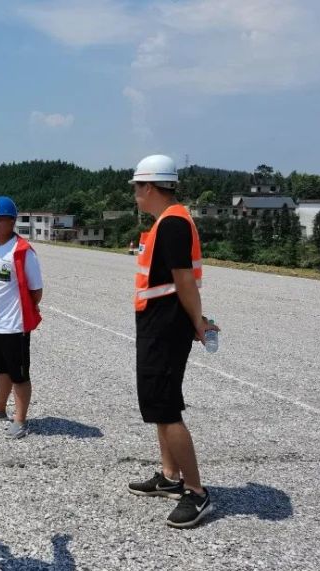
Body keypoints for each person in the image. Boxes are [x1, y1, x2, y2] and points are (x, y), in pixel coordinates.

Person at [126, 154, 220, 529]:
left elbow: (184, 281)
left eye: (136, 188)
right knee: (157, 404)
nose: (135, 195)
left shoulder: (174, 223)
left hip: (166, 327)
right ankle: (169, 476)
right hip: (158, 323)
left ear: (149, 186)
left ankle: (196, 491)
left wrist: (199, 322)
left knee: (166, 407)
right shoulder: (167, 222)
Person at [0, 196, 43, 440]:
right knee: (0, 368)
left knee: (19, 374)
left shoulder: (23, 251)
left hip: (15, 325)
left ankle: (20, 420)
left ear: (11, 221)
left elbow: (36, 291)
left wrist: (21, 313)